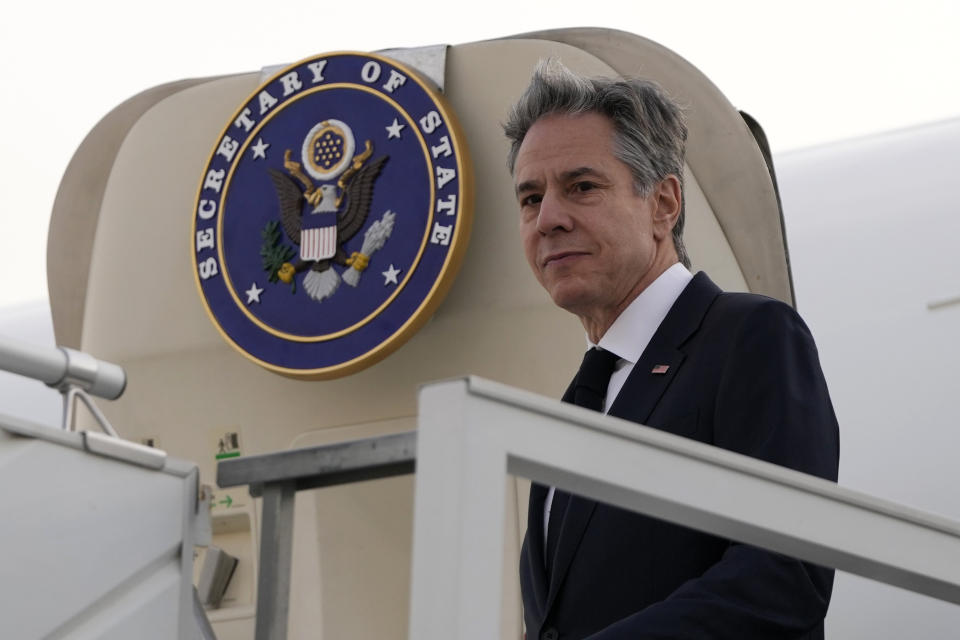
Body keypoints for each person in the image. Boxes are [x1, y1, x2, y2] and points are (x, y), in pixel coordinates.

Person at [504, 60, 840, 640]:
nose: (549, 219)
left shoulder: (750, 338)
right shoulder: (573, 408)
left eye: (581, 187)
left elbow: (784, 577)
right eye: (531, 198)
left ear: (664, 204)